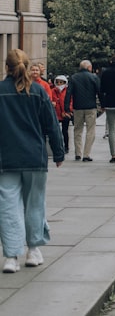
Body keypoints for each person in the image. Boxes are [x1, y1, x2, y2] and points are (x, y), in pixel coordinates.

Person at [0, 49, 65, 273]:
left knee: (8, 207)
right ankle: (33, 250)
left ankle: (11, 256)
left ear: (6, 67)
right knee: (34, 205)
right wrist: (58, 152)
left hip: (5, 158)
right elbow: (51, 125)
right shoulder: (37, 90)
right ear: (27, 68)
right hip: (34, 156)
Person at [67, 59, 101, 162]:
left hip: (78, 107)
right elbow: (99, 91)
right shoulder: (94, 77)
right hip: (91, 107)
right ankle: (86, 154)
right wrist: (103, 105)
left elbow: (69, 93)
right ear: (89, 68)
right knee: (90, 130)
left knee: (77, 130)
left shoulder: (73, 78)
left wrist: (66, 107)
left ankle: (78, 153)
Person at [99, 54, 115, 163]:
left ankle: (113, 155)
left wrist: (102, 104)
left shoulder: (105, 72)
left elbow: (102, 89)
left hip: (109, 103)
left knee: (111, 129)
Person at [50, 75, 72, 154]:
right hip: (56, 113)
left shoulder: (68, 91)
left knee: (65, 131)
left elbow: (71, 101)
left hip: (65, 114)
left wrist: (68, 111)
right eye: (58, 82)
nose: (59, 84)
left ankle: (66, 146)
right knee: (56, 131)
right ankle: (57, 146)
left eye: (61, 82)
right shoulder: (53, 91)